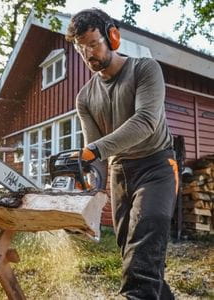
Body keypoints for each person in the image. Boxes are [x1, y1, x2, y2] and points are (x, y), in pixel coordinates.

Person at [65, 8, 178, 300]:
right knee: (135, 254)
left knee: (142, 254)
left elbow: (145, 123)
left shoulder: (145, 69)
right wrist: (87, 184)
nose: (87, 53)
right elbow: (96, 155)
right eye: (81, 48)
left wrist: (93, 151)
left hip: (156, 167)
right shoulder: (85, 97)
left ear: (112, 36)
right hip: (120, 174)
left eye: (92, 43)